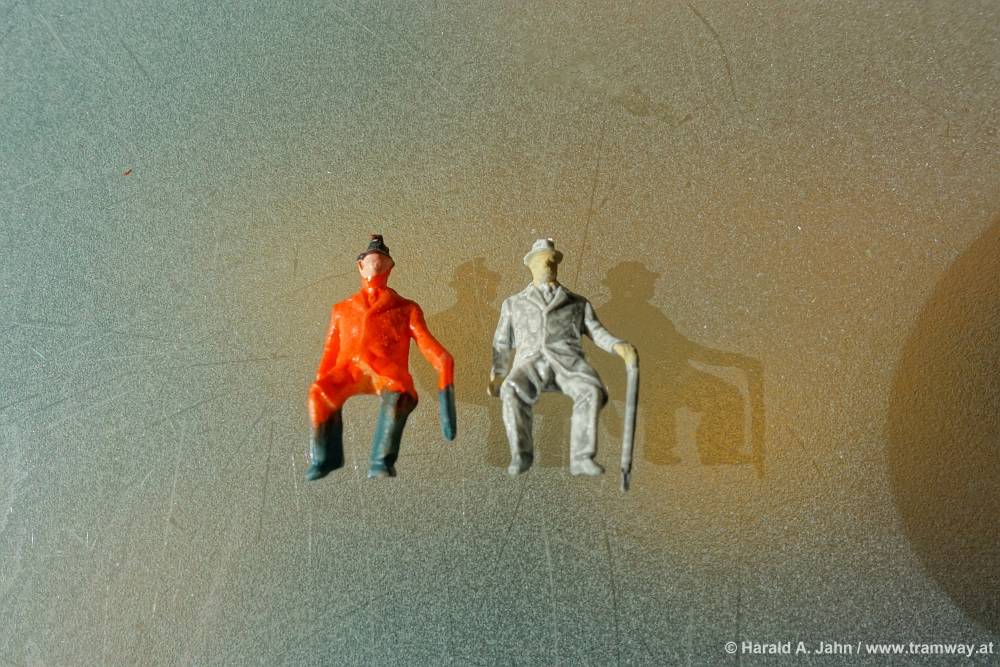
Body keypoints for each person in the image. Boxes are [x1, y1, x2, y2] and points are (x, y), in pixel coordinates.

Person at [307, 235, 456, 480]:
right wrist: (322, 379)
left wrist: (443, 362)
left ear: (390, 268)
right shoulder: (342, 309)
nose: (375, 266)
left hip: (387, 374)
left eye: (382, 262)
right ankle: (326, 457)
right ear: (360, 266)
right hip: (348, 371)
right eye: (370, 261)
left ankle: (382, 460)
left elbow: (426, 343)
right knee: (319, 393)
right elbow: (330, 350)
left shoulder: (406, 308)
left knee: (399, 395)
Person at [489, 238, 637, 476]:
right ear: (531, 265)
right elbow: (501, 342)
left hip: (569, 363)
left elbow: (596, 332)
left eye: (553, 261)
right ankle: (521, 454)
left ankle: (582, 457)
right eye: (543, 260)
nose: (549, 264)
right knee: (511, 390)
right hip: (529, 364)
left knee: (591, 390)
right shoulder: (513, 304)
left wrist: (618, 346)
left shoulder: (577, 302)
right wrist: (498, 373)